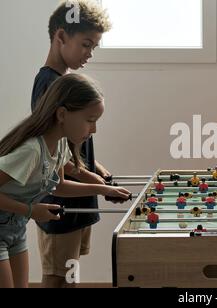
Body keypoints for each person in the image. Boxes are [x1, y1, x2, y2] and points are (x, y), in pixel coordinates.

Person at [0, 74, 131, 288]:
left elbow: (59, 186)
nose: (94, 130)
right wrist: (31, 210)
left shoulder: (60, 146)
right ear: (62, 114)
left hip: (16, 229)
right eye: (90, 121)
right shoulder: (32, 150)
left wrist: (103, 189)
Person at [31, 0, 114, 288]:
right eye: (86, 44)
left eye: (94, 47)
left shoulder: (65, 83)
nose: (90, 53)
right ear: (61, 37)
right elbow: (52, 154)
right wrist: (97, 182)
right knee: (57, 276)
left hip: (75, 206)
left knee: (69, 274)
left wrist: (98, 169)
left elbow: (73, 148)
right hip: (59, 206)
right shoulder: (49, 85)